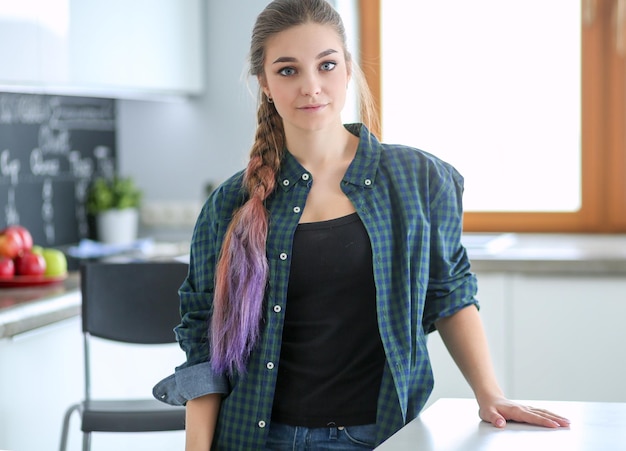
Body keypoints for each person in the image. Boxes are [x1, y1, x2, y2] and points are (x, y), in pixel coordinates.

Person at [153, 0, 570, 449]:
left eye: (326, 65)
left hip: (384, 435)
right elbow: (204, 340)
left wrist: (490, 394)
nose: (311, 86)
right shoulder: (230, 204)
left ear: (347, 70)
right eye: (288, 70)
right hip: (259, 437)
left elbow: (450, 293)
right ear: (265, 84)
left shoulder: (419, 178)